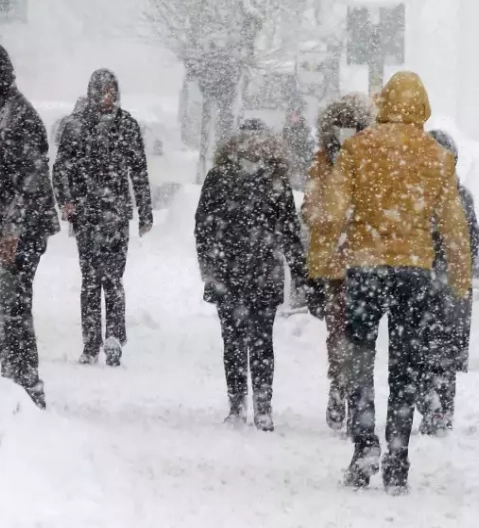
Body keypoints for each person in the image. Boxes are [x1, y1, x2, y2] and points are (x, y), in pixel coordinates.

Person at [320, 72, 472, 493]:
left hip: (366, 268)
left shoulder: (357, 149)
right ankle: (399, 456)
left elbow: (331, 213)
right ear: (421, 106)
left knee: (360, 360)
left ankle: (364, 441)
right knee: (406, 366)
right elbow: (454, 227)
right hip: (415, 272)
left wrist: (324, 262)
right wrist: (459, 276)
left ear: (384, 103)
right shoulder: (436, 158)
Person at [0, 41, 60, 409]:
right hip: (0, 227)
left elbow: (30, 181)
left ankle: (25, 381)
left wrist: (12, 232)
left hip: (21, 230)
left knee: (8, 303)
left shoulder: (19, 117)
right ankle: (15, 375)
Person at [195, 128, 306, 431]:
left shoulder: (224, 177)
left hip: (240, 273)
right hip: (252, 273)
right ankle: (253, 405)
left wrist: (210, 266)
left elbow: (204, 227)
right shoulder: (270, 181)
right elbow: (290, 233)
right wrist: (299, 273)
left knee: (243, 341)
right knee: (253, 342)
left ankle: (247, 403)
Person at [53, 70, 153, 366]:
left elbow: (139, 171)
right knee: (90, 280)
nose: (107, 97)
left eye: (111, 91)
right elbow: (60, 169)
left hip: (117, 214)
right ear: (93, 93)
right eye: (102, 91)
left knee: (113, 278)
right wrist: (66, 202)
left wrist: (145, 211)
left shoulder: (127, 125)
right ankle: (90, 342)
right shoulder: (75, 126)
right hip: (86, 215)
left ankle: (113, 337)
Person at [302, 93, 373, 432]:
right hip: (341, 261)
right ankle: (342, 386)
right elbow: (310, 208)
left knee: (349, 332)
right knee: (341, 331)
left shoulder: (365, 160)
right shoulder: (325, 163)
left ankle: (347, 388)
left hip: (355, 260)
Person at [417, 130, 479, 434]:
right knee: (442, 356)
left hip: (426, 283)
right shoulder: (461, 195)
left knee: (421, 351)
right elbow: (474, 244)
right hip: (451, 287)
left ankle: (429, 402)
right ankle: (439, 411)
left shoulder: (415, 193)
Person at [282, 101, 315, 191]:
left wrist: (303, 160)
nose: (292, 117)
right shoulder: (285, 130)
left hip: (302, 163)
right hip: (290, 164)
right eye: (290, 115)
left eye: (295, 115)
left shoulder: (305, 130)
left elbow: (309, 147)